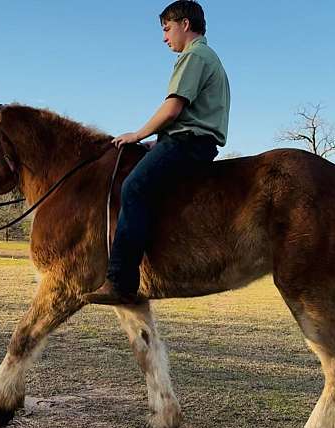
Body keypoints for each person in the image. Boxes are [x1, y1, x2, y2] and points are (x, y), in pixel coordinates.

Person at [88, 0, 231, 305]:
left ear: (185, 25)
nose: (165, 38)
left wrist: (138, 134)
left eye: (167, 29)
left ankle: (121, 282)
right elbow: (187, 115)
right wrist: (157, 142)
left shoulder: (194, 56)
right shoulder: (208, 57)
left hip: (188, 144)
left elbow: (172, 108)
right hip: (188, 140)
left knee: (134, 187)